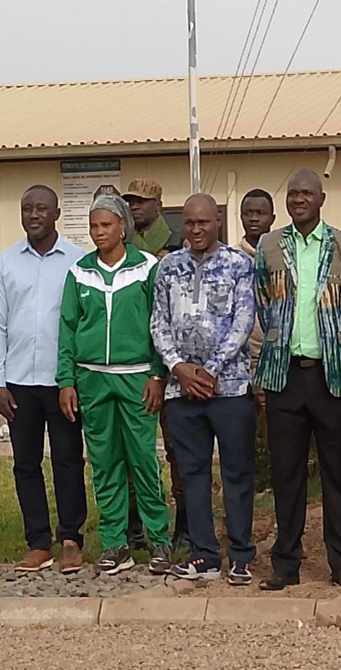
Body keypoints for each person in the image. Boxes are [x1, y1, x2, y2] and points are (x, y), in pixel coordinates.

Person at [253, 169, 341, 590]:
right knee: (287, 474)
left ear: (322, 199)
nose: (299, 199)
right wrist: (281, 340)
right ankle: (286, 564)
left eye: (307, 193)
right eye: (293, 193)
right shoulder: (269, 246)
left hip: (331, 378)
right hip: (285, 376)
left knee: (337, 474)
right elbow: (263, 303)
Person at [57, 193, 172, 575]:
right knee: (104, 464)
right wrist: (66, 380)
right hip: (92, 381)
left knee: (142, 461)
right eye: (93, 226)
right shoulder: (79, 272)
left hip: (137, 378)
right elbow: (68, 330)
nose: (99, 232)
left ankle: (159, 541)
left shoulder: (147, 267)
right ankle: (115, 543)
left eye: (106, 225)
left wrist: (158, 373)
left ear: (123, 226)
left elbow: (160, 325)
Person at [151, 193, 258, 584]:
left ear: (217, 223)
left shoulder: (238, 264)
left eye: (204, 223)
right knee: (192, 474)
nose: (196, 230)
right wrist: (179, 368)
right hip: (182, 392)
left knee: (237, 472)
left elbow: (244, 320)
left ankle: (241, 554)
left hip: (228, 388)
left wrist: (210, 370)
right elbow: (158, 323)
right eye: (190, 223)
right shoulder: (168, 269)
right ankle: (204, 556)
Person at [0, 185, 88, 574]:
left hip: (62, 381)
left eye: (41, 208)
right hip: (18, 382)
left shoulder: (78, 262)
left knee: (67, 460)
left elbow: (82, 323)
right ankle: (38, 542)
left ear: (57, 214)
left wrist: (75, 379)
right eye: (27, 208)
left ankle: (71, 540)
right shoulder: (5, 264)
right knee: (25, 463)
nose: (33, 215)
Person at [122, 177, 186, 553]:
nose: (135, 207)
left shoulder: (176, 246)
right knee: (134, 450)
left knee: (178, 449)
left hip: (173, 364)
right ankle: (135, 526)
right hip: (134, 364)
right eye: (130, 201)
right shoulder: (122, 249)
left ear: (158, 205)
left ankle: (185, 526)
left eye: (142, 201)